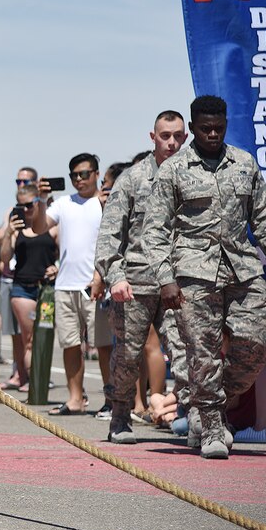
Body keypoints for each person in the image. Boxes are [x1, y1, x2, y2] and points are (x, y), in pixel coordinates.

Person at [142, 95, 266, 459]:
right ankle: (211, 426)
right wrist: (165, 278)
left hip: (242, 268)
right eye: (205, 128)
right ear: (193, 128)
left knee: (259, 344)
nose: (212, 134)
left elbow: (264, 219)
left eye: (218, 128)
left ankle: (202, 401)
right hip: (193, 273)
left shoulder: (244, 164)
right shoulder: (174, 170)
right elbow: (154, 230)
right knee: (203, 354)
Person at [95, 110, 189, 444]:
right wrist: (115, 276)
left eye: (178, 135)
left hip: (181, 283)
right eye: (166, 135)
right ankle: (120, 416)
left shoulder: (195, 177)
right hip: (135, 283)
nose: (172, 142)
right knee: (129, 355)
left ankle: (193, 417)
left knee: (189, 353)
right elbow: (109, 235)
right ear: (153, 137)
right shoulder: (132, 179)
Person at [33, 154, 106, 416]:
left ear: (97, 173)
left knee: (104, 344)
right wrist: (41, 200)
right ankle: (76, 399)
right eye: (74, 175)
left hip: (96, 284)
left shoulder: (104, 203)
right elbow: (39, 227)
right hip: (65, 285)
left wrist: (102, 278)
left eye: (84, 174)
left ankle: (110, 400)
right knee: (70, 344)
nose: (79, 179)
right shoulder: (63, 203)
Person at [0, 183, 58, 393]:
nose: (26, 210)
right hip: (23, 289)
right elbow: (5, 260)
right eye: (20, 206)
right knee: (30, 339)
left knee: (44, 337)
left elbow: (63, 255)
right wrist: (8, 233)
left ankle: (39, 378)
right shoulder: (17, 230)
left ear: (39, 202)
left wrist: (57, 268)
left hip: (47, 290)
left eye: (30, 205)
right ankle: (34, 382)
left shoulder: (52, 227)